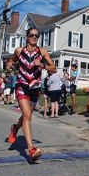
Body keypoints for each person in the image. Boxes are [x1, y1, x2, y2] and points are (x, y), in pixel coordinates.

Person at [6, 27, 56, 163]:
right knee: (27, 116)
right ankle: (31, 150)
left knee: (27, 115)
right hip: (21, 85)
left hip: (35, 87)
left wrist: (43, 65)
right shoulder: (19, 50)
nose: (34, 38)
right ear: (27, 37)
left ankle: (15, 128)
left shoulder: (42, 52)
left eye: (37, 36)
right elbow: (12, 60)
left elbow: (54, 68)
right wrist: (10, 64)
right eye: (32, 35)